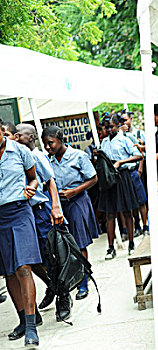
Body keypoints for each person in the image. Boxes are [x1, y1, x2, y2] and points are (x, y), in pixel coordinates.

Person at [14, 124, 71, 321]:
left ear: (30, 138)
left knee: (53, 256)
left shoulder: (36, 156)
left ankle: (63, 296)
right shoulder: (15, 156)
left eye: (17, 135)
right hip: (24, 214)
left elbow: (51, 181)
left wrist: (56, 207)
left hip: (42, 210)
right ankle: (53, 286)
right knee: (33, 259)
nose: (13, 137)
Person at [42, 126, 100, 300]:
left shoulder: (78, 156)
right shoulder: (47, 160)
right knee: (63, 245)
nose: (47, 147)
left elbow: (93, 178)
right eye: (45, 144)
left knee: (79, 243)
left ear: (60, 139)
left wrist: (74, 191)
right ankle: (71, 278)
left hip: (77, 201)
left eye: (50, 143)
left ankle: (83, 282)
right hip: (59, 205)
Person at [0, 121, 41, 347]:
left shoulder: (20, 151)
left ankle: (32, 326)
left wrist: (32, 187)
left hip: (19, 211)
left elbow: (33, 177)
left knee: (24, 267)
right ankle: (22, 319)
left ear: (2, 131)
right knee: (9, 271)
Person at [97, 116, 143, 257]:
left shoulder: (125, 140)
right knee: (110, 214)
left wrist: (121, 162)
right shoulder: (104, 142)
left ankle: (131, 243)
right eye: (107, 127)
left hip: (123, 177)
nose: (110, 129)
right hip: (109, 179)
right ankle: (111, 248)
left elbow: (138, 155)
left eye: (112, 126)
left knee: (127, 212)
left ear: (118, 125)